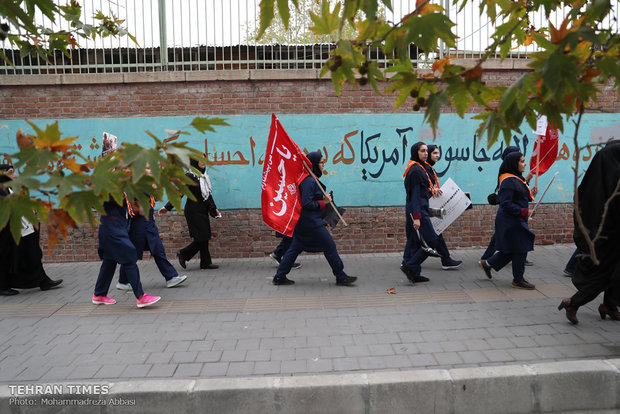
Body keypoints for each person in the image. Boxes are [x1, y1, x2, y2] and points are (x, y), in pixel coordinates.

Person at [272, 151, 356, 286]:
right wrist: (324, 202)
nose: (323, 165)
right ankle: (340, 276)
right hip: (311, 223)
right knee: (329, 245)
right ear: (315, 164)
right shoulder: (309, 181)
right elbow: (306, 204)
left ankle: (279, 276)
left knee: (295, 248)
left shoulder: (310, 179)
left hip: (305, 222)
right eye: (321, 162)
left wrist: (323, 199)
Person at [559, 139, 620, 324]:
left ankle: (610, 305)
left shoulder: (596, 177)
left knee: (614, 271)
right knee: (607, 274)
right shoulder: (614, 178)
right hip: (609, 236)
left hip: (604, 235)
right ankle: (574, 302)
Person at [117, 166, 187, 290]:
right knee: (135, 254)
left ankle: (171, 277)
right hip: (139, 226)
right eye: (148, 168)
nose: (151, 170)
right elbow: (134, 204)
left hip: (147, 224)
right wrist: (140, 209)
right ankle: (123, 281)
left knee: (157, 250)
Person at [0, 164, 63, 295]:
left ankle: (43, 280)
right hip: (8, 232)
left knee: (32, 253)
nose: (15, 175)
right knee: (7, 257)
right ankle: (3, 286)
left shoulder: (10, 188)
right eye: (11, 172)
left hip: (23, 229)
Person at [478, 151, 536, 289]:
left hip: (516, 220)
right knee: (521, 248)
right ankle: (518, 280)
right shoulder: (508, 180)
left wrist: (530, 194)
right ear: (513, 164)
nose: (525, 164)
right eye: (522, 161)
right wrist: (524, 211)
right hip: (510, 221)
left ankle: (488, 263)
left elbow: (518, 196)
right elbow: (506, 203)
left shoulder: (516, 178)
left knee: (513, 250)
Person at [401, 142, 454, 284]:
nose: (425, 153)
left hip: (419, 208)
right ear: (415, 153)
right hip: (417, 210)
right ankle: (410, 265)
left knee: (415, 241)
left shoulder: (420, 168)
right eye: (422, 151)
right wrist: (417, 217)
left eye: (426, 151)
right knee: (431, 239)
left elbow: (423, 191)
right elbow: (416, 196)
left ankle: (414, 273)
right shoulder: (416, 171)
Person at [159, 158, 220, 270]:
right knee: (202, 237)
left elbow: (207, 195)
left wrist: (214, 209)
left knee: (204, 236)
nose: (203, 162)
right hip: (193, 211)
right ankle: (183, 254)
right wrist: (167, 207)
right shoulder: (189, 176)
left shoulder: (204, 176)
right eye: (200, 159)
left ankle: (205, 262)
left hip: (202, 210)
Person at [423, 144, 462, 270]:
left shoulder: (429, 168)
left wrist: (434, 190)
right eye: (434, 153)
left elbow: (427, 186)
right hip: (425, 206)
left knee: (433, 233)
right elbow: (422, 187)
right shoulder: (424, 169)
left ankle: (408, 260)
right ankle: (445, 259)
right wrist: (432, 190)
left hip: (429, 205)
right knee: (434, 234)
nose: (437, 155)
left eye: (438, 153)